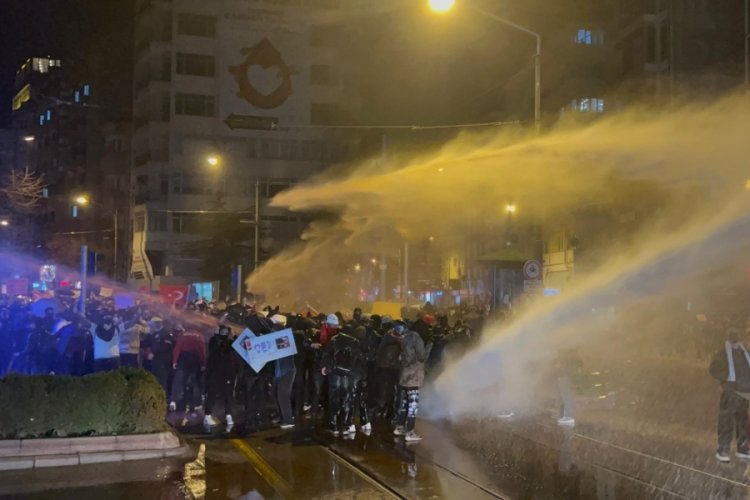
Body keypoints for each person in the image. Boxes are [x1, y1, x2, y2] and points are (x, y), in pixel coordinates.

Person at [709, 327, 750, 462]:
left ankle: (742, 448)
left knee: (742, 422)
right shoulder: (722, 354)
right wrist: (726, 379)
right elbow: (713, 369)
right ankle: (724, 449)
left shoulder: (745, 352)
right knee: (727, 422)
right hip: (731, 392)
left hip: (744, 394)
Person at [321, 323, 364, 436]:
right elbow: (359, 360)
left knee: (334, 398)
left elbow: (326, 355)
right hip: (348, 375)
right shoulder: (355, 342)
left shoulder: (334, 340)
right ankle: (345, 425)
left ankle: (334, 425)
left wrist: (325, 368)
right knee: (346, 399)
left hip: (335, 373)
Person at [394, 325, 432, 442]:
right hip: (413, 375)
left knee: (405, 402)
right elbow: (422, 356)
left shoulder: (402, 338)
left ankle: (399, 427)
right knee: (413, 404)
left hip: (404, 375)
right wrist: (430, 346)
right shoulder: (416, 338)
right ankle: (410, 431)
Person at [204, 325, 239, 430]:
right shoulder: (216, 342)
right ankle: (209, 416)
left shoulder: (221, 342)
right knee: (216, 395)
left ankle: (226, 416)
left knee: (223, 395)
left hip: (221, 374)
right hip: (219, 374)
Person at [170, 325, 207, 412]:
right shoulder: (200, 336)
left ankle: (173, 401)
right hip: (195, 359)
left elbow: (177, 348)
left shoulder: (183, 334)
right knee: (196, 383)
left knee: (178, 380)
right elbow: (202, 350)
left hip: (184, 358)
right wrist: (203, 363)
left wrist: (175, 361)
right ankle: (197, 403)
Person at [271, 314, 296, 429]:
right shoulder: (281, 335)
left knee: (282, 395)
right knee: (276, 393)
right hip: (280, 370)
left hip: (286, 370)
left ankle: (288, 419)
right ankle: (282, 416)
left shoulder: (284, 337)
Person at [375, 320, 403, 421]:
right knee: (387, 389)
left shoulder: (388, 337)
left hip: (390, 367)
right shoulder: (390, 337)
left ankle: (386, 409)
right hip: (389, 367)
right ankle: (385, 409)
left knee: (389, 389)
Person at [142, 317, 175, 393]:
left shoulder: (166, 334)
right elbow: (146, 344)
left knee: (162, 382)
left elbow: (165, 346)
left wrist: (153, 353)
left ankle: (162, 398)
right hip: (155, 362)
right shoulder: (153, 334)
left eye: (152, 324)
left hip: (163, 362)